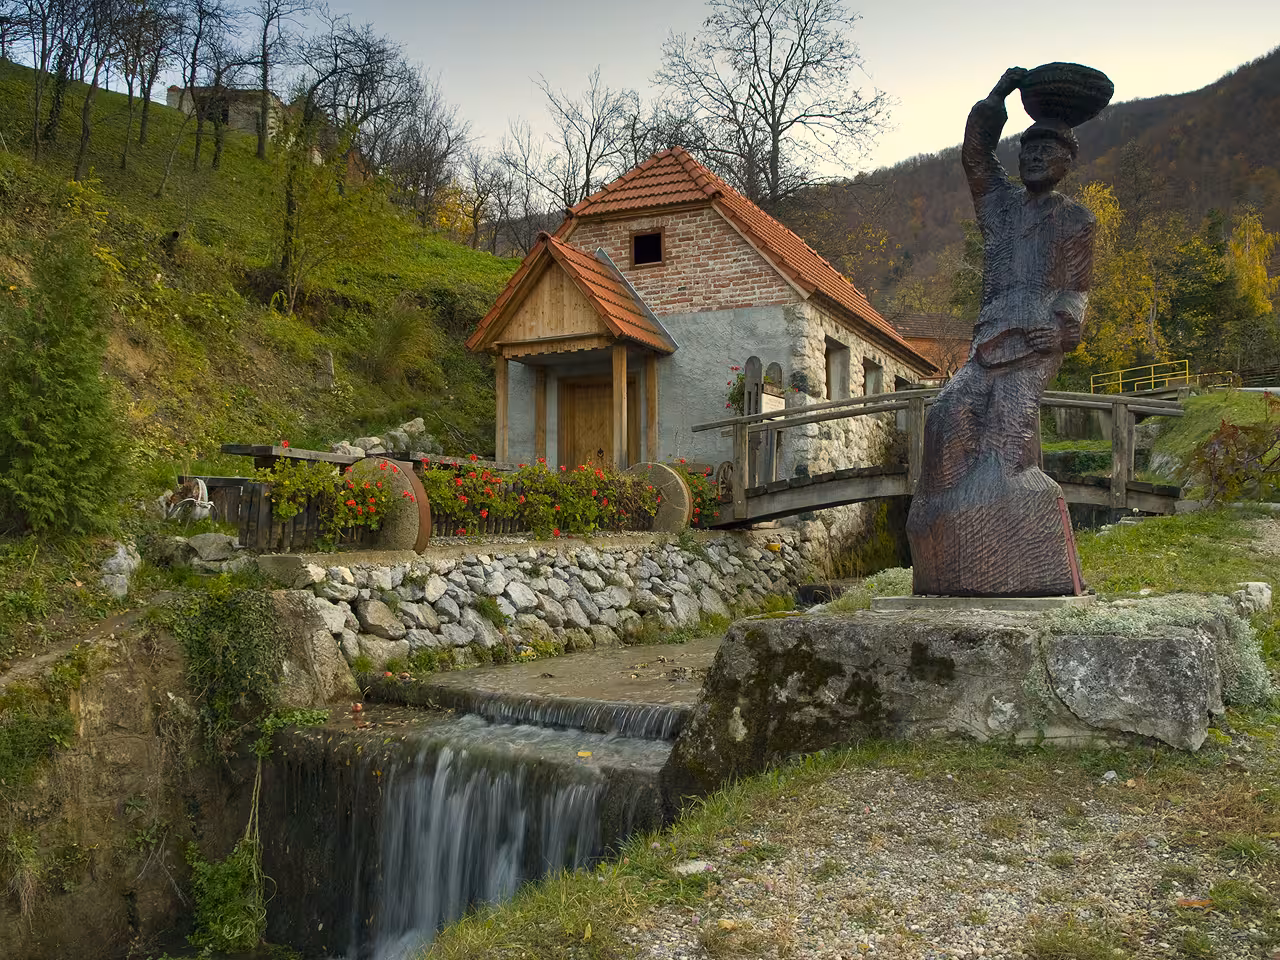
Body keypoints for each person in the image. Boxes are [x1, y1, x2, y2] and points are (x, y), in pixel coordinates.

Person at [905, 67, 1096, 596]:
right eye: (1028, 149)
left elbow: (1078, 287)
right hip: (987, 343)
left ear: (1066, 162)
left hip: (1034, 345)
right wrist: (998, 96)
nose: (1034, 157)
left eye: (1047, 151)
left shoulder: (1075, 219)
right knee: (945, 417)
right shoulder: (1000, 205)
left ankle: (1005, 562)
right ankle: (940, 541)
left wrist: (1063, 331)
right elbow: (975, 155)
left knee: (1001, 452)